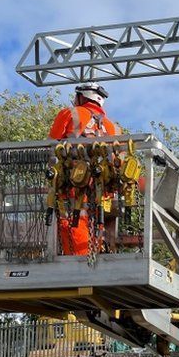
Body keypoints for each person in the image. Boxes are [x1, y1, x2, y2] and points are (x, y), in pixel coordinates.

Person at [48, 83, 117, 256]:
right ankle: (92, 256)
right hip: (102, 187)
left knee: (72, 219)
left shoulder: (71, 113)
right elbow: (119, 162)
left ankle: (79, 261)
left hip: (74, 180)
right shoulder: (114, 128)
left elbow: (50, 146)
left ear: (82, 96)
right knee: (95, 222)